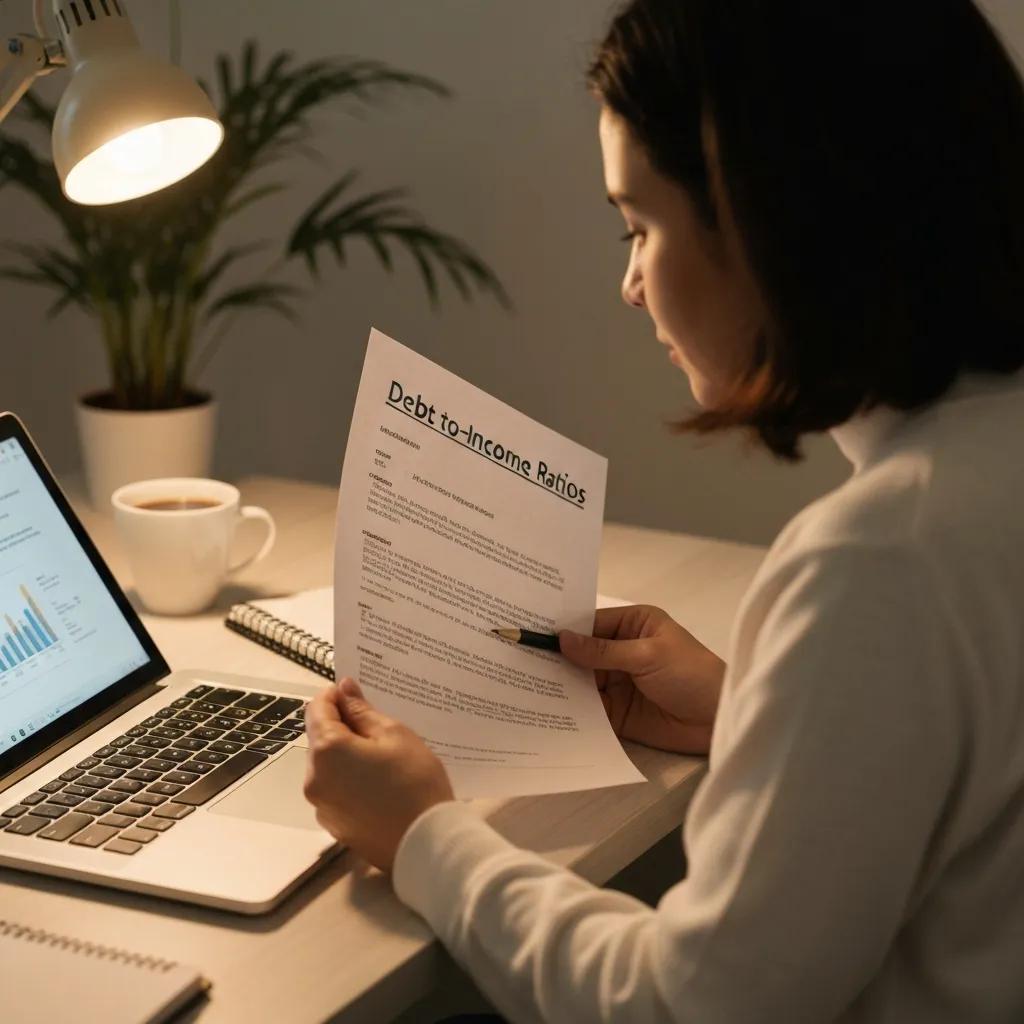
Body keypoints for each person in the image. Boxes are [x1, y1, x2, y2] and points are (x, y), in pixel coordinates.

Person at [303, 0, 1024, 1019]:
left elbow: (689, 1006)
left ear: (772, 217)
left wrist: (424, 836)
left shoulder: (880, 560)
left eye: (639, 225)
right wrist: (751, 710)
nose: (630, 284)